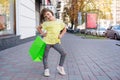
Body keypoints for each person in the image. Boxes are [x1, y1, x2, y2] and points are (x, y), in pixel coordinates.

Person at [37, 8, 67, 77]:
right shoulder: (46, 23)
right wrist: (42, 34)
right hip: (46, 42)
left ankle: (60, 67)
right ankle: (46, 69)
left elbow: (64, 29)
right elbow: (38, 28)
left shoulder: (59, 22)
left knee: (64, 53)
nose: (47, 16)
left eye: (48, 14)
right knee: (45, 56)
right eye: (45, 16)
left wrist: (61, 35)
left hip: (56, 42)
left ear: (51, 12)